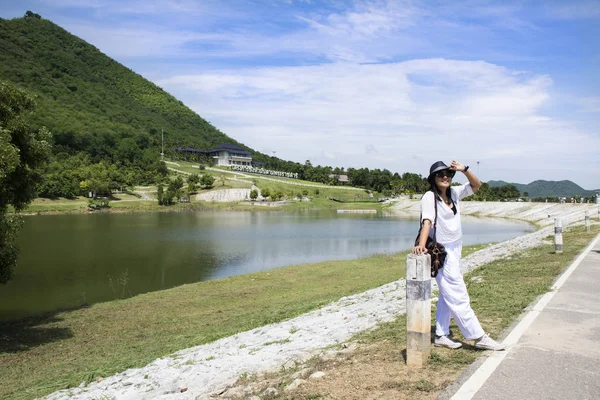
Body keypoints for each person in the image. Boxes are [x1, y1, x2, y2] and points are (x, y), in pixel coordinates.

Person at [412, 160, 505, 351]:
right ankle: (477, 336)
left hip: (456, 248)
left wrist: (464, 170)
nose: (445, 177)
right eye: (440, 174)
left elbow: (476, 186)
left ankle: (440, 334)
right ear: (433, 178)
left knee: (447, 295)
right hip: (441, 252)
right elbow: (427, 221)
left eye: (447, 173)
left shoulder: (453, 193)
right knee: (458, 294)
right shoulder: (430, 197)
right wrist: (421, 246)